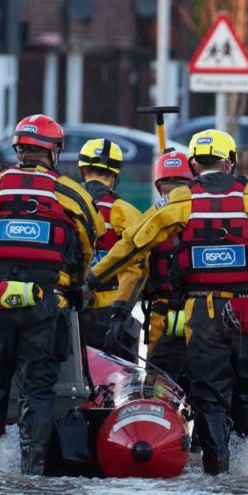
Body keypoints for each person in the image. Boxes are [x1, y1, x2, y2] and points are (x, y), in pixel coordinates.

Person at [87, 129, 248, 475]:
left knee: (209, 395)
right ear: (230, 162)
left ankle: (217, 472)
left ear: (194, 163)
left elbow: (134, 244)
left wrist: (93, 280)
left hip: (203, 312)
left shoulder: (181, 200)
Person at [0, 114, 103, 474]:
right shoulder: (72, 193)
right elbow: (89, 242)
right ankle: (32, 465)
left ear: (18, 149)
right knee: (38, 388)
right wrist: (75, 285)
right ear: (53, 152)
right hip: (46, 300)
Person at [75, 138, 144, 361]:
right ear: (115, 175)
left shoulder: (65, 204)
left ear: (83, 169)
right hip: (110, 313)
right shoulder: (127, 212)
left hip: (68, 310)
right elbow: (137, 268)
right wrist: (121, 313)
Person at [141, 150, 195, 385]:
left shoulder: (149, 221)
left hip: (165, 314)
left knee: (157, 381)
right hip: (202, 312)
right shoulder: (206, 218)